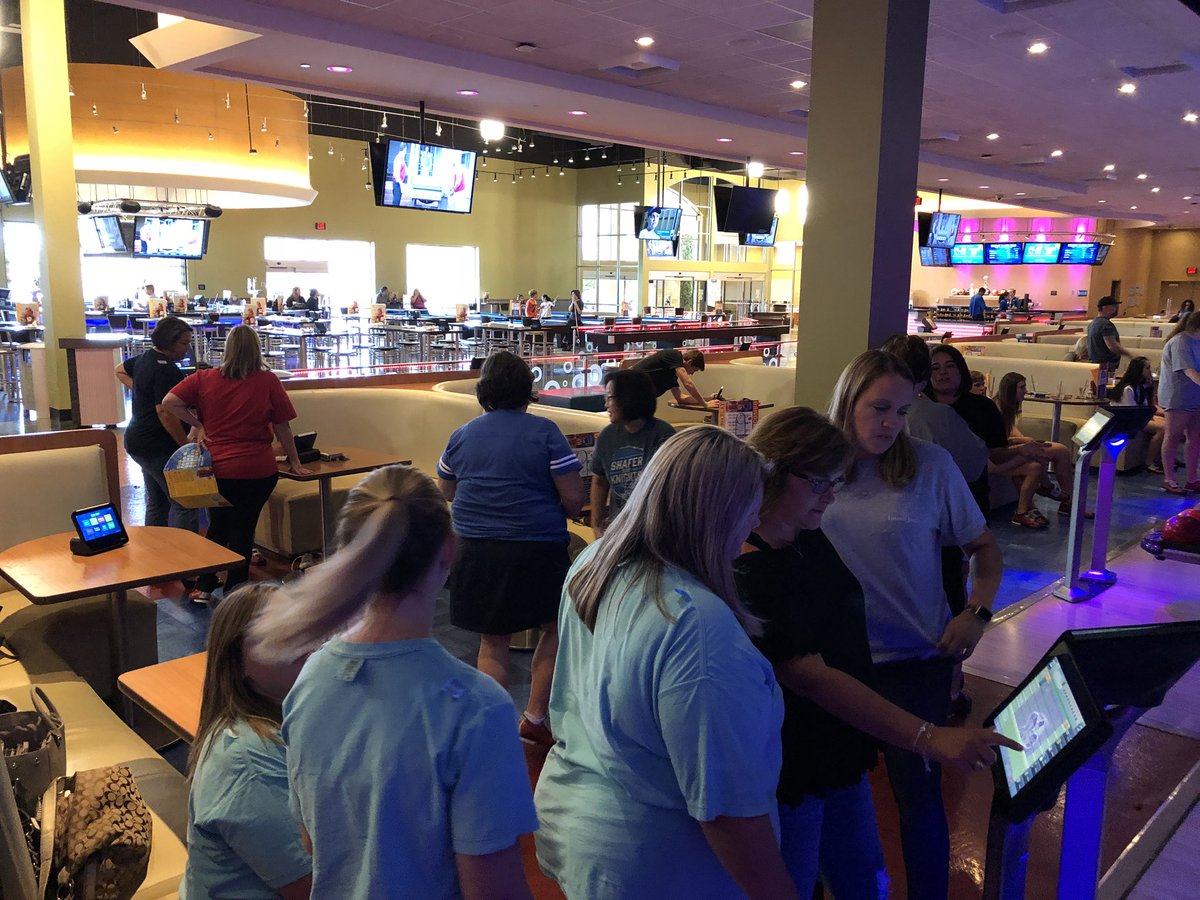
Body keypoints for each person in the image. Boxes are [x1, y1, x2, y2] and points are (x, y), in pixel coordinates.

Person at [735, 408, 1019, 900]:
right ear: (775, 473)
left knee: (862, 879)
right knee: (797, 881)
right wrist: (929, 738)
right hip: (792, 763)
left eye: (836, 482)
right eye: (821, 482)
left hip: (838, 750)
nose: (832, 494)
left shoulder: (806, 534)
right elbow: (810, 677)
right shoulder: (750, 565)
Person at [535, 427, 798, 899]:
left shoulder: (595, 562)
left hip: (580, 826)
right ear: (717, 513)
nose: (755, 520)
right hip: (662, 863)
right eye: (750, 507)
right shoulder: (695, 624)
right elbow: (724, 807)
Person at [251, 466, 535, 899]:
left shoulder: (311, 679)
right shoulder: (478, 709)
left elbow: (314, 840)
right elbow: (494, 891)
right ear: (449, 551)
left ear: (349, 552)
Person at [822, 350, 1003, 900]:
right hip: (830, 666)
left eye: (902, 412)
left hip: (913, 662)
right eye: (879, 408)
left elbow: (984, 548)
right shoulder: (813, 466)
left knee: (919, 799)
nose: (890, 425)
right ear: (848, 401)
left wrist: (977, 611)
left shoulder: (929, 465)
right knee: (827, 793)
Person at [437, 351, 584, 745]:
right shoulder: (547, 432)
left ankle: (495, 727)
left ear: (483, 391)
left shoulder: (463, 434)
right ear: (527, 390)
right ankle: (534, 717)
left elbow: (446, 490)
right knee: (554, 629)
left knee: (492, 639)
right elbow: (573, 498)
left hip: (475, 548)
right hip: (537, 548)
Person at [162, 326, 310, 602]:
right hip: (258, 469)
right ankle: (235, 590)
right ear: (257, 349)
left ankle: (205, 586)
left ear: (227, 349)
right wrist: (295, 460)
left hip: (218, 469)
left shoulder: (205, 378)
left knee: (218, 527)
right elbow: (282, 426)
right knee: (243, 529)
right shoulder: (267, 381)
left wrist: (199, 424)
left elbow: (170, 401)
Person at [183, 584, 312, 899]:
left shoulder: (287, 716)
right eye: (279, 633)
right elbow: (315, 888)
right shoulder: (248, 762)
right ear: (238, 662)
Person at [927, 344, 1057, 527]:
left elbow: (996, 453)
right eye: (935, 367)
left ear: (960, 369)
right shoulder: (917, 406)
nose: (943, 372)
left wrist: (1022, 449)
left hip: (971, 490)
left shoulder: (983, 407)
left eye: (950, 366)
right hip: (928, 491)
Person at [115, 316, 200, 533]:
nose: (187, 349)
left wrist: (142, 391)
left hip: (137, 441)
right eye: (184, 343)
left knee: (157, 502)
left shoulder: (145, 358)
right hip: (157, 445)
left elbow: (119, 370)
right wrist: (183, 446)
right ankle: (188, 554)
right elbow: (165, 411)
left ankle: (155, 549)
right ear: (169, 342)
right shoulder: (166, 369)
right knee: (185, 504)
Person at [590, 369, 675, 537]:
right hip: (619, 531)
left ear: (628, 398)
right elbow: (600, 481)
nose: (606, 404)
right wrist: (596, 525)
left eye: (610, 398)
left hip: (655, 532)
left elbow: (674, 489)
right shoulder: (607, 436)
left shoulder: (663, 435)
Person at [992, 372, 1086, 517]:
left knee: (1061, 450)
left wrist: (1025, 440)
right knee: (1045, 453)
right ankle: (1048, 489)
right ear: (1011, 389)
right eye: (1022, 387)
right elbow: (998, 441)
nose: (1026, 391)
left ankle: (1065, 500)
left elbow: (1010, 429)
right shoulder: (996, 409)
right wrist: (1022, 442)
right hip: (1002, 450)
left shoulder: (1008, 407)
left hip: (1011, 445)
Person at [1157, 311, 1200, 493]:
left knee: (1195, 437)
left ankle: (1192, 478)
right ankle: (1169, 479)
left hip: (1195, 395)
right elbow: (1189, 371)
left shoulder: (1195, 341)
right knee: (1173, 436)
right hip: (1178, 395)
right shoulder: (1180, 342)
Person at [1111, 356, 1166, 473]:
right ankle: (1149, 462)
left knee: (1168, 424)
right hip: (1125, 420)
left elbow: (1145, 406)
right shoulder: (1128, 389)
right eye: (1147, 368)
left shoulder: (1139, 386)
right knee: (1163, 428)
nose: (1149, 371)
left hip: (1137, 416)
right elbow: (1132, 412)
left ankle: (1160, 458)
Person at [632, 347, 716, 407]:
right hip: (628, 388)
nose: (692, 374)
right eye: (694, 370)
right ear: (689, 362)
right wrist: (704, 404)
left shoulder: (671, 375)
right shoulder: (674, 355)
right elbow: (688, 383)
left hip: (639, 400)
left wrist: (708, 399)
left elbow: (681, 398)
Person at [1087, 296, 1132, 387]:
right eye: (1115, 306)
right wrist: (1129, 354)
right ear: (1106, 308)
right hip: (1105, 366)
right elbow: (1112, 346)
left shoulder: (1093, 323)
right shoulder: (1106, 325)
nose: (1117, 309)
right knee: (1103, 392)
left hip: (1094, 364)